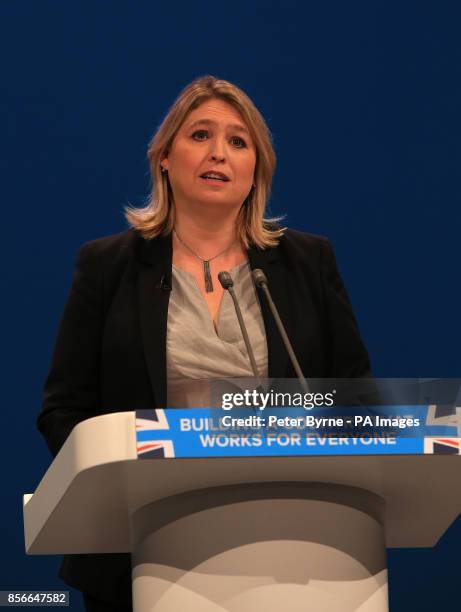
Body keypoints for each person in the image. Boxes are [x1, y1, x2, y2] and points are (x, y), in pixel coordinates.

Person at [37, 75, 371, 611]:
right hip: (142, 544)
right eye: (200, 135)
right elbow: (64, 410)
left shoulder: (307, 263)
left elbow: (356, 399)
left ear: (256, 169)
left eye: (239, 142)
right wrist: (124, 483)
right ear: (164, 157)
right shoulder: (108, 267)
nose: (219, 152)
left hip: (293, 542)